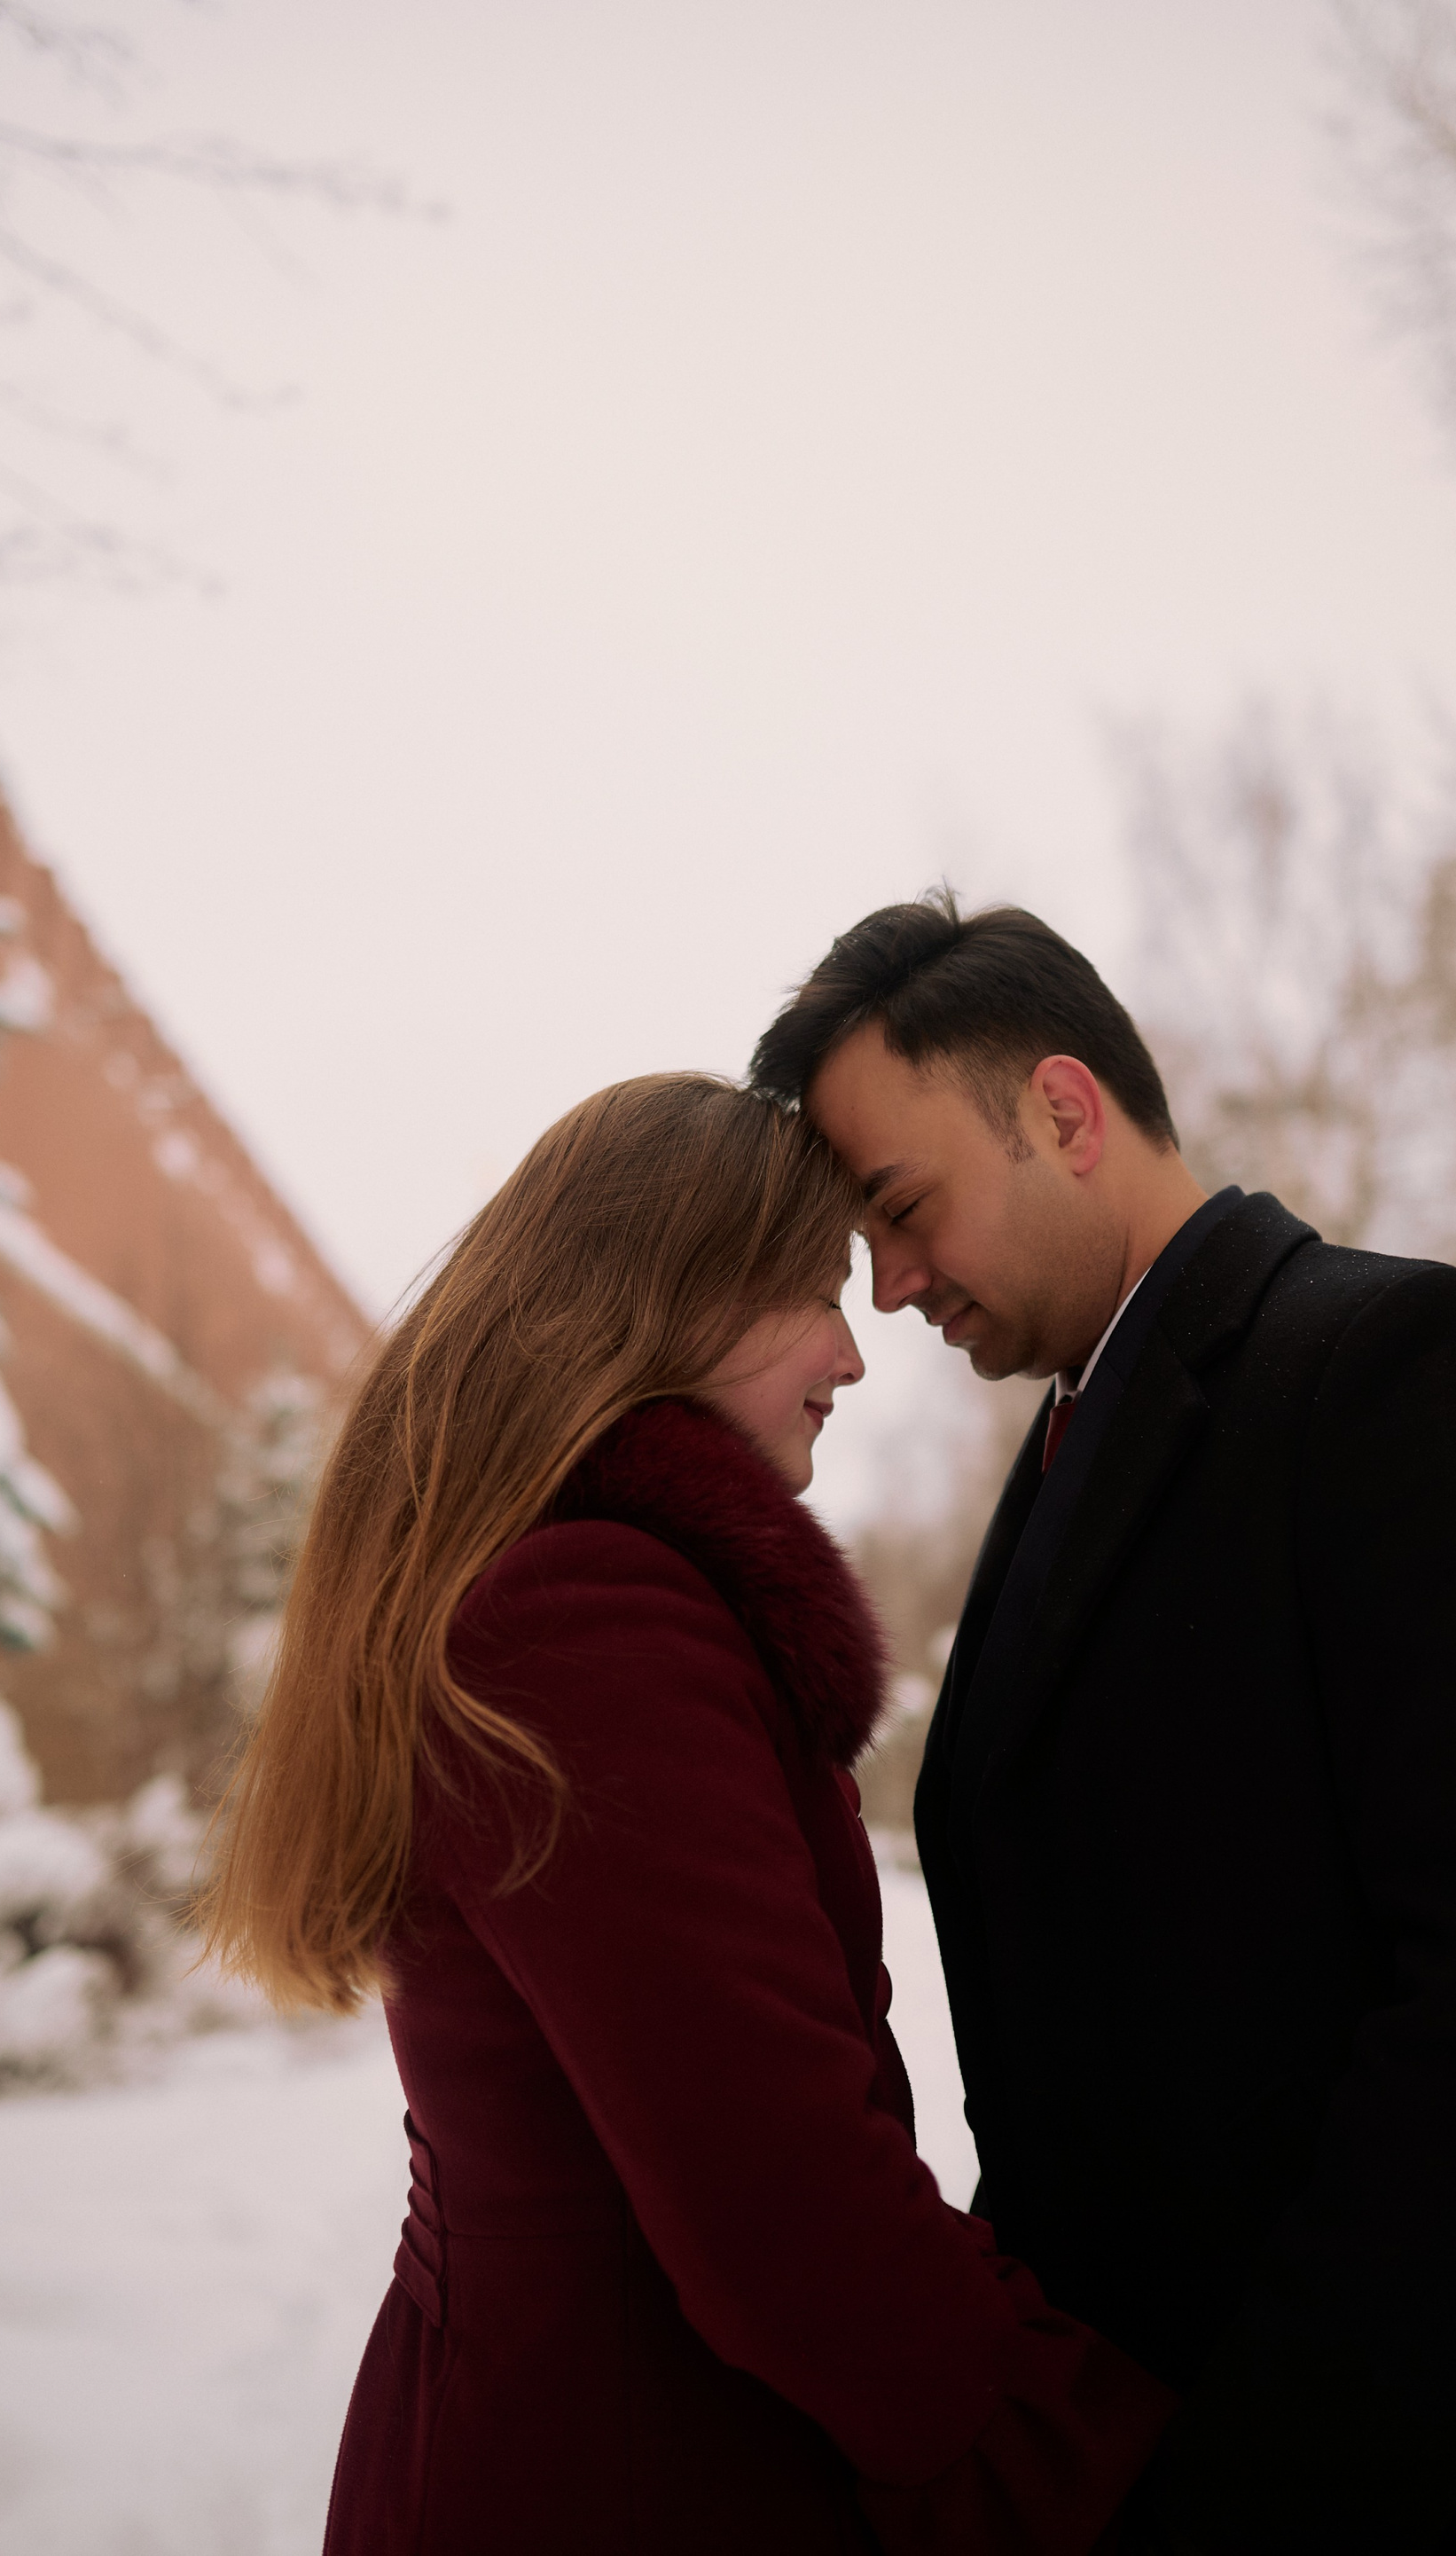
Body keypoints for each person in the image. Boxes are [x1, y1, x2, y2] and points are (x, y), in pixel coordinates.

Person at [201, 1072, 1172, 2556]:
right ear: (664, 1300)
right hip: (619, 2470)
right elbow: (781, 2199)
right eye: (812, 1291)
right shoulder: (584, 1621)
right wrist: (1091, 2465)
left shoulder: (551, 1589)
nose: (854, 1351)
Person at [749, 892, 1456, 2556]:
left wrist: (1251, 2498)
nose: (888, 1286)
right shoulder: (1065, 1444)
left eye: (902, 1209)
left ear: (1063, 1110)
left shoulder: (1392, 1366)